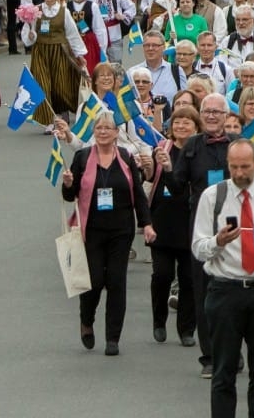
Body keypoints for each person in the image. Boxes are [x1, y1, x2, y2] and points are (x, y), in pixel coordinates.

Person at [190, 138, 254, 418]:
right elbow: (198, 249)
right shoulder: (214, 196)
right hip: (226, 291)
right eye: (233, 167)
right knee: (223, 373)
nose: (238, 173)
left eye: (245, 167)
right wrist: (218, 242)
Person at [60, 112, 156, 355]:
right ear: (94, 132)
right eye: (99, 128)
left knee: (116, 282)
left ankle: (113, 338)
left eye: (108, 128)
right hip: (90, 230)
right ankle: (87, 320)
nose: (103, 132)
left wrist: (146, 224)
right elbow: (69, 197)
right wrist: (69, 183)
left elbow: (138, 194)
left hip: (120, 231)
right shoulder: (82, 158)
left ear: (116, 133)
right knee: (93, 281)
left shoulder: (125, 157)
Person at [148, 105, 200, 347]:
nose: (181, 126)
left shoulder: (199, 152)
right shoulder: (161, 149)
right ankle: (159, 320)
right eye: (177, 122)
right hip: (162, 221)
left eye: (186, 122)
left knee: (189, 279)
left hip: (190, 223)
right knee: (162, 274)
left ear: (196, 127)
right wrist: (147, 165)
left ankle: (187, 329)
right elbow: (149, 178)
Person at [22, 0, 87, 126]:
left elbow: (72, 34)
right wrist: (31, 36)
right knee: (42, 84)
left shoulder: (64, 11)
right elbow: (29, 29)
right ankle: (49, 119)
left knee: (60, 85)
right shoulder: (36, 10)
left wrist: (79, 55)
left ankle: (62, 112)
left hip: (60, 51)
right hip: (41, 52)